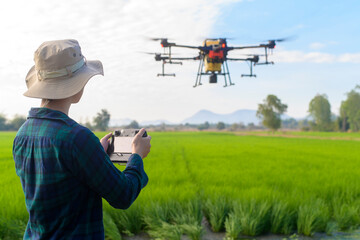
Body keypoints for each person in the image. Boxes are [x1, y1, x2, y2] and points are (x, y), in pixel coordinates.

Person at [12, 39, 151, 239]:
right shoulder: (77, 138)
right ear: (76, 86)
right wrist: (137, 156)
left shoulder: (22, 134)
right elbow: (123, 195)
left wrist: (96, 153)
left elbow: (63, 180)